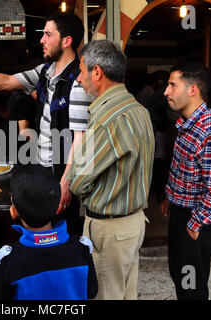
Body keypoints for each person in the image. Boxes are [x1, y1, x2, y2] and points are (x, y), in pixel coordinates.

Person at [0, 12, 94, 235]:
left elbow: (80, 140)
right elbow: (7, 82)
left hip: (62, 176)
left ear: (67, 41)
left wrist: (65, 184)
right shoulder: (46, 72)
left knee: (60, 234)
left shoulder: (78, 81)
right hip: (42, 171)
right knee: (39, 234)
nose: (41, 40)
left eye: (48, 35)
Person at [67, 40, 155, 300]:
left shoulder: (107, 118)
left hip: (111, 230)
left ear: (97, 73)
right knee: (126, 293)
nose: (80, 79)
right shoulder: (139, 110)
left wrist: (88, 187)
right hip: (134, 223)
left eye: (82, 71)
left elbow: (78, 181)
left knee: (106, 295)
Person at [161, 63, 211, 300]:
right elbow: (184, 171)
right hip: (182, 211)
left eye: (173, 85)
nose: (166, 91)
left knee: (191, 285)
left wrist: (194, 225)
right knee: (181, 277)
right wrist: (170, 197)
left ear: (192, 90)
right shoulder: (187, 123)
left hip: (198, 217)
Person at [0, 164, 98, 300]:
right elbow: (91, 291)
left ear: (13, 211)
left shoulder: (7, 261)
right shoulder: (82, 248)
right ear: (58, 206)